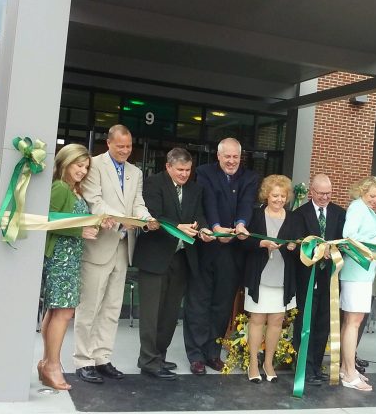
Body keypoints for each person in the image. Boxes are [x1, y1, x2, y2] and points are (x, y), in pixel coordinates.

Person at [74, 124, 158, 384]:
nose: (125, 150)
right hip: (99, 245)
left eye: (129, 146)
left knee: (111, 307)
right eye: (120, 145)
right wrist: (124, 221)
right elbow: (94, 201)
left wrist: (146, 218)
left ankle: (102, 358)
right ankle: (83, 360)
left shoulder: (136, 171)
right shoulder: (94, 165)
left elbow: (138, 203)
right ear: (108, 143)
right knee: (89, 307)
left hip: (123, 247)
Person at [132, 148, 214, 380]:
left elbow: (199, 216)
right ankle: (147, 360)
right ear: (168, 166)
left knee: (169, 314)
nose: (184, 174)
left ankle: (158, 355)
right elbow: (153, 215)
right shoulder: (152, 183)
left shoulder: (195, 188)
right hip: (154, 258)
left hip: (181, 258)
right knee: (151, 313)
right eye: (180, 170)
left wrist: (204, 230)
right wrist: (179, 227)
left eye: (188, 170)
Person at [186, 137, 259, 374]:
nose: (231, 161)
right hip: (206, 248)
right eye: (226, 156)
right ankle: (196, 355)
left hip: (232, 252)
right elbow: (207, 201)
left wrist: (240, 225)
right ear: (218, 156)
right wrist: (216, 227)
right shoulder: (204, 172)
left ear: (241, 157)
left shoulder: (250, 178)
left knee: (222, 305)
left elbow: (247, 204)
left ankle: (212, 353)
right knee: (199, 303)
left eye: (235, 157)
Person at [38, 144, 106, 390]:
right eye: (79, 165)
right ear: (65, 163)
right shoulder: (59, 188)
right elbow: (46, 222)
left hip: (70, 257)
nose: (83, 170)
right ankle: (52, 366)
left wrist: (93, 225)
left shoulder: (73, 189)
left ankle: (47, 363)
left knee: (56, 311)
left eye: (86, 166)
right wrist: (80, 230)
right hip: (60, 258)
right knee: (63, 312)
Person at [339, 175, 376, 392]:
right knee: (353, 321)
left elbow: (372, 238)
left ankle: (347, 368)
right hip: (356, 271)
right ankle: (348, 372)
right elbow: (349, 237)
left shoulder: (368, 212)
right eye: (372, 196)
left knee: (353, 321)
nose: (375, 200)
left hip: (364, 273)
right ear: (362, 192)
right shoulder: (356, 208)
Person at [242, 175, 297, 383]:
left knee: (276, 322)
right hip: (259, 276)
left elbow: (298, 245)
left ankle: (268, 363)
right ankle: (253, 363)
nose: (279, 199)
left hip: (283, 278)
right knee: (257, 320)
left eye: (283, 196)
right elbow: (244, 243)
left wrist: (293, 247)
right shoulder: (255, 215)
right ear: (267, 195)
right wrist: (261, 244)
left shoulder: (293, 218)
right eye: (275, 195)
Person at [291, 174, 345, 386]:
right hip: (308, 277)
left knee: (324, 322)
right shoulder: (299, 214)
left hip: (330, 277)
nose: (325, 197)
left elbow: (344, 242)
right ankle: (303, 364)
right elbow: (297, 244)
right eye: (321, 193)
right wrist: (316, 251)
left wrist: (334, 252)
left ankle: (316, 366)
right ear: (311, 192)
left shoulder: (339, 213)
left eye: (328, 193)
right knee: (306, 321)